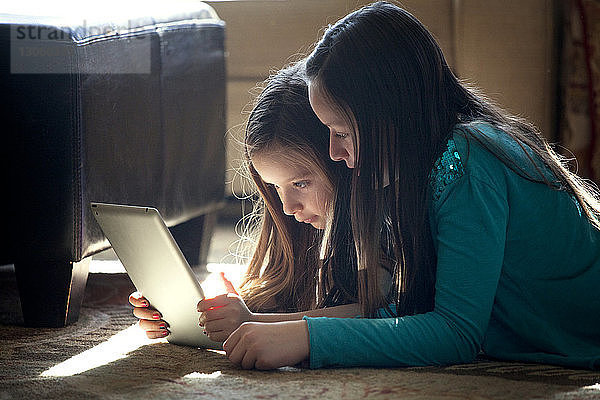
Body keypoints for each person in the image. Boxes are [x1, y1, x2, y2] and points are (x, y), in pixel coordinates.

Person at [216, 2, 600, 370]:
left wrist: (308, 339)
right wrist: (264, 323)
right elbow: (406, 307)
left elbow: (455, 334)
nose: (334, 152)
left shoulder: (467, 158)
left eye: (342, 132)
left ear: (390, 114)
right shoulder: (417, 174)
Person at [129, 63, 362, 362]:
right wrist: (206, 314)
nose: (288, 208)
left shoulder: (379, 226)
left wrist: (254, 320)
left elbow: (379, 312)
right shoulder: (299, 231)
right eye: (276, 188)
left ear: (340, 159)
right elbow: (275, 293)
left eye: (301, 183)